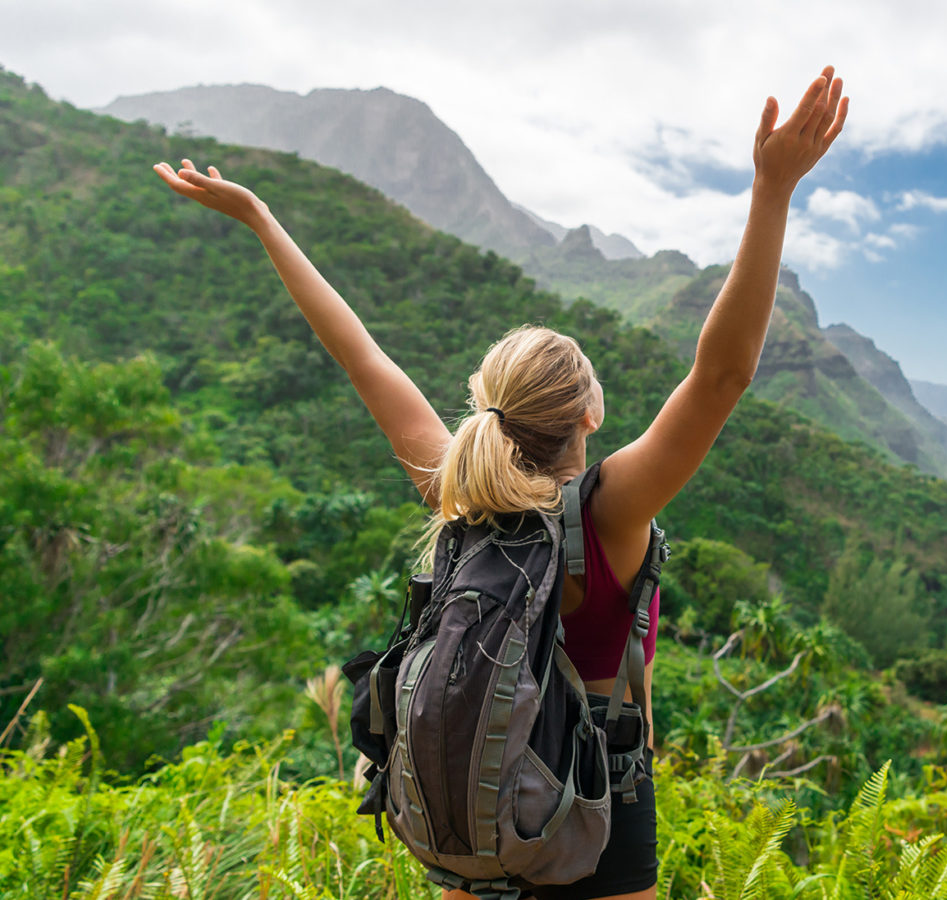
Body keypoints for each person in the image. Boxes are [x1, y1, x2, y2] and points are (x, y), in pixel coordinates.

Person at [154, 66, 848, 900]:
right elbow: (722, 375)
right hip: (602, 809)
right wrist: (772, 189)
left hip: (475, 820)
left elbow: (360, 353)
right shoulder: (612, 514)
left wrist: (264, 222)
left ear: (487, 411)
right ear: (591, 410)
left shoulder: (458, 494)